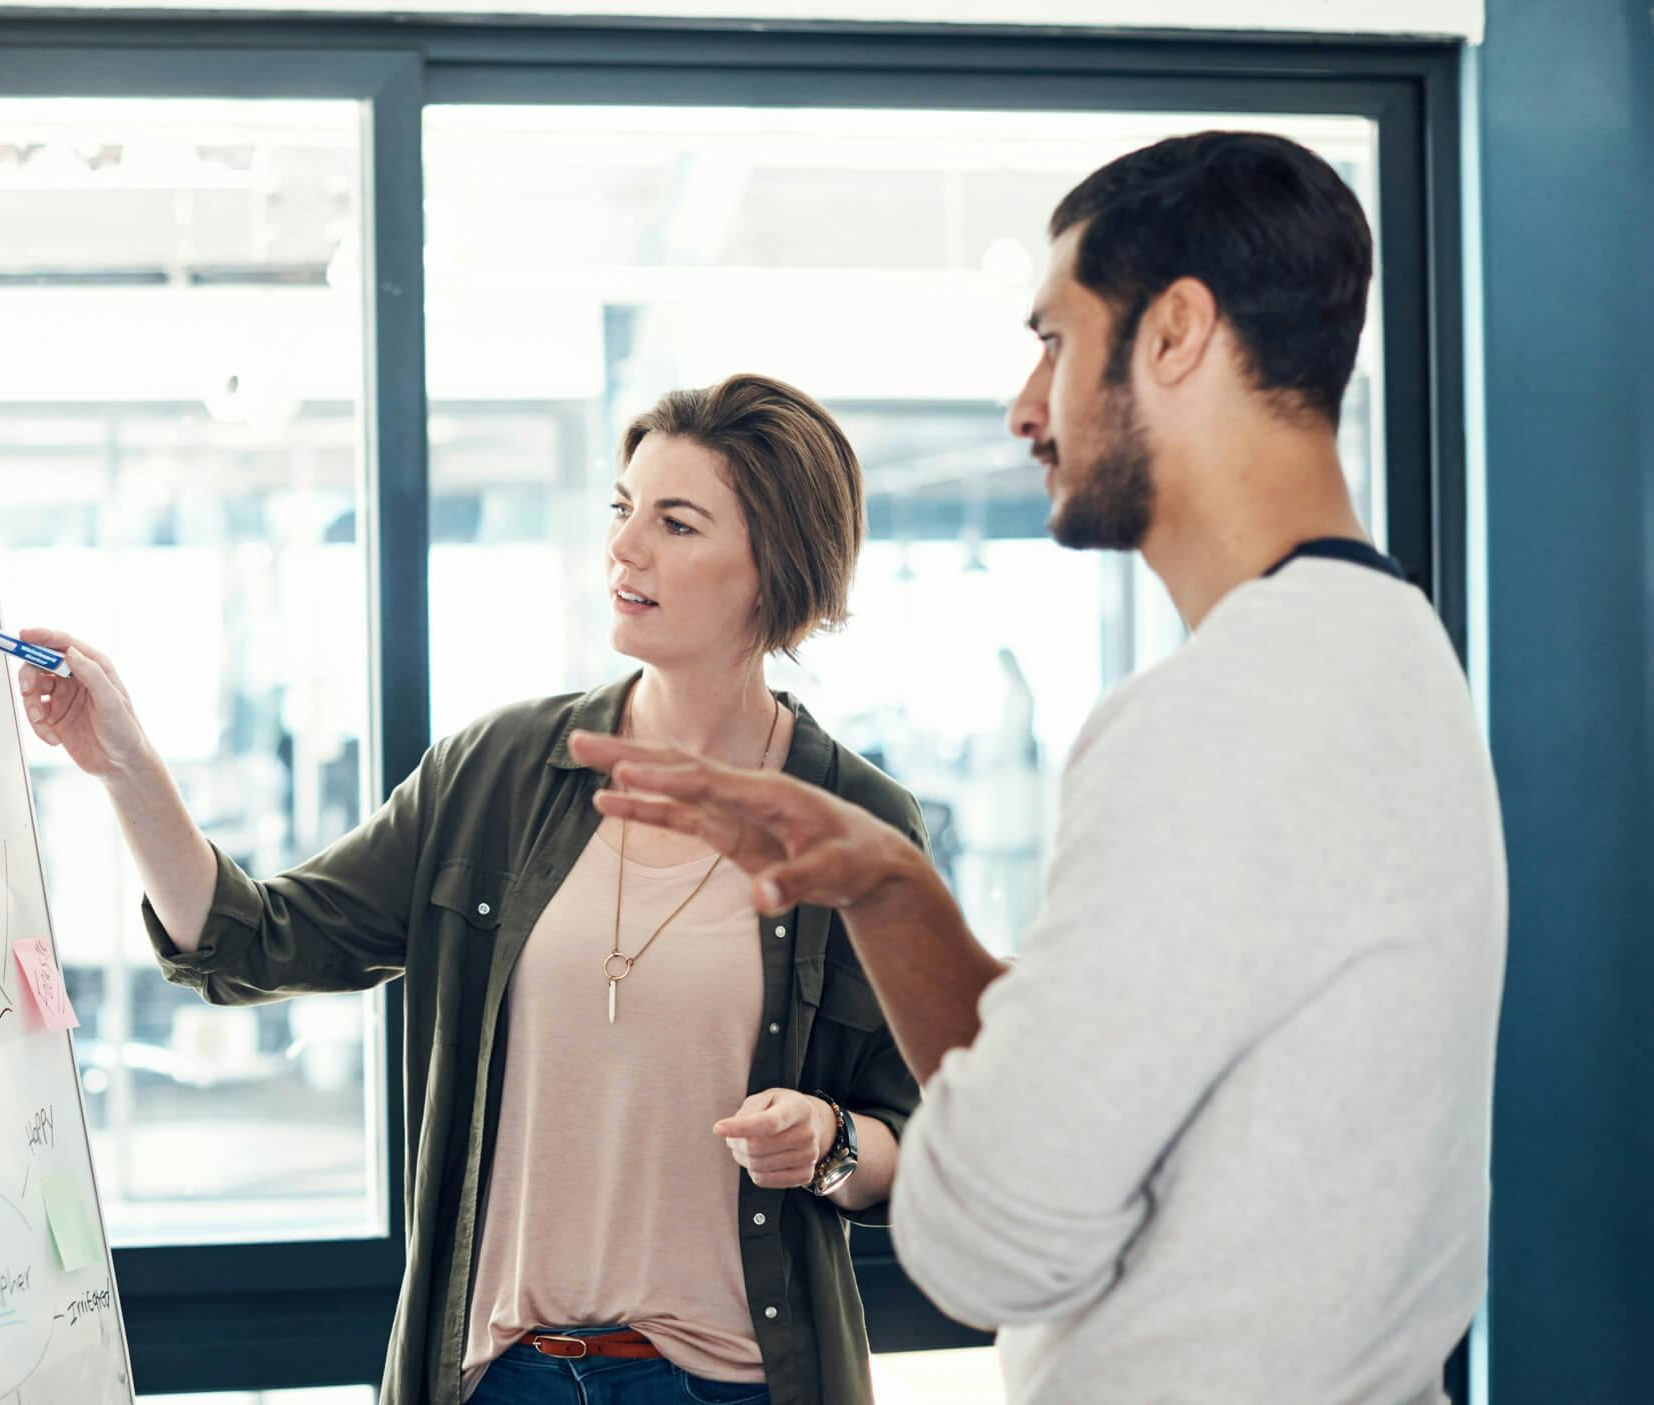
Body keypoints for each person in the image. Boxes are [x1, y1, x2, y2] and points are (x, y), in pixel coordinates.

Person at [573, 132, 1507, 1405]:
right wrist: (894, 891)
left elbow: (988, 1245)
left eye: (1056, 341)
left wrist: (910, 1159)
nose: (1026, 406)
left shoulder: (1216, 717)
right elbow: (1142, 1101)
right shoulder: (1396, 656)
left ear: (1176, 334)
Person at [17, 373, 925, 1405]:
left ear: (775, 565)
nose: (624, 550)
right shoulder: (496, 774)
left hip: (738, 1383)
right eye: (623, 510)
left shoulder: (857, 819)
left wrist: (830, 1141)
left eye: (676, 523)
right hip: (511, 1377)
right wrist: (126, 761)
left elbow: (918, 1134)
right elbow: (255, 941)